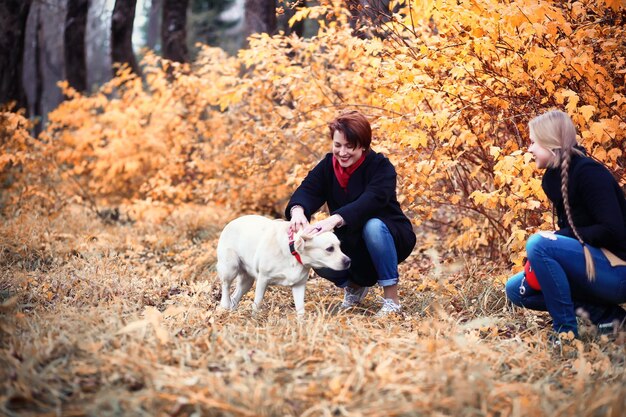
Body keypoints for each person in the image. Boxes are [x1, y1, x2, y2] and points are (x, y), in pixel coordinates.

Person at [505, 109, 626, 339]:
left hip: (618, 272)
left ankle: (564, 334)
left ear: (551, 144)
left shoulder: (590, 174)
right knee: (516, 289)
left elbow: (613, 230)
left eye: (533, 142)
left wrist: (559, 236)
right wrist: (558, 239)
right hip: (592, 268)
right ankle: (609, 317)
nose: (529, 149)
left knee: (539, 243)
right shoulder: (554, 177)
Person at [286, 110, 416, 316]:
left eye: (350, 146)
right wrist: (298, 211)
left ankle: (391, 300)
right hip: (350, 241)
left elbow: (372, 200)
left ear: (363, 145)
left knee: (372, 226)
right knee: (316, 244)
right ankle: (354, 287)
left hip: (388, 235)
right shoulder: (328, 166)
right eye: (337, 145)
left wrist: (335, 219)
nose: (343, 152)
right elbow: (308, 190)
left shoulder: (381, 167)